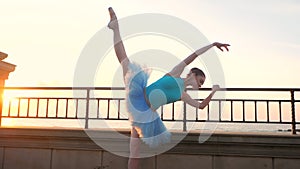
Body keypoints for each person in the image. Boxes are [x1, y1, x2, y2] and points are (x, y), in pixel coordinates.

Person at [107, 7, 230, 169]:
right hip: (138, 95)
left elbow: (201, 106)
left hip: (144, 115)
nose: (200, 85)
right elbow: (194, 55)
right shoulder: (175, 73)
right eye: (200, 81)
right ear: (192, 74)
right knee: (125, 61)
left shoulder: (183, 95)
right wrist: (213, 45)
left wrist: (213, 92)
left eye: (202, 84)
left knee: (135, 152)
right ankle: (115, 26)